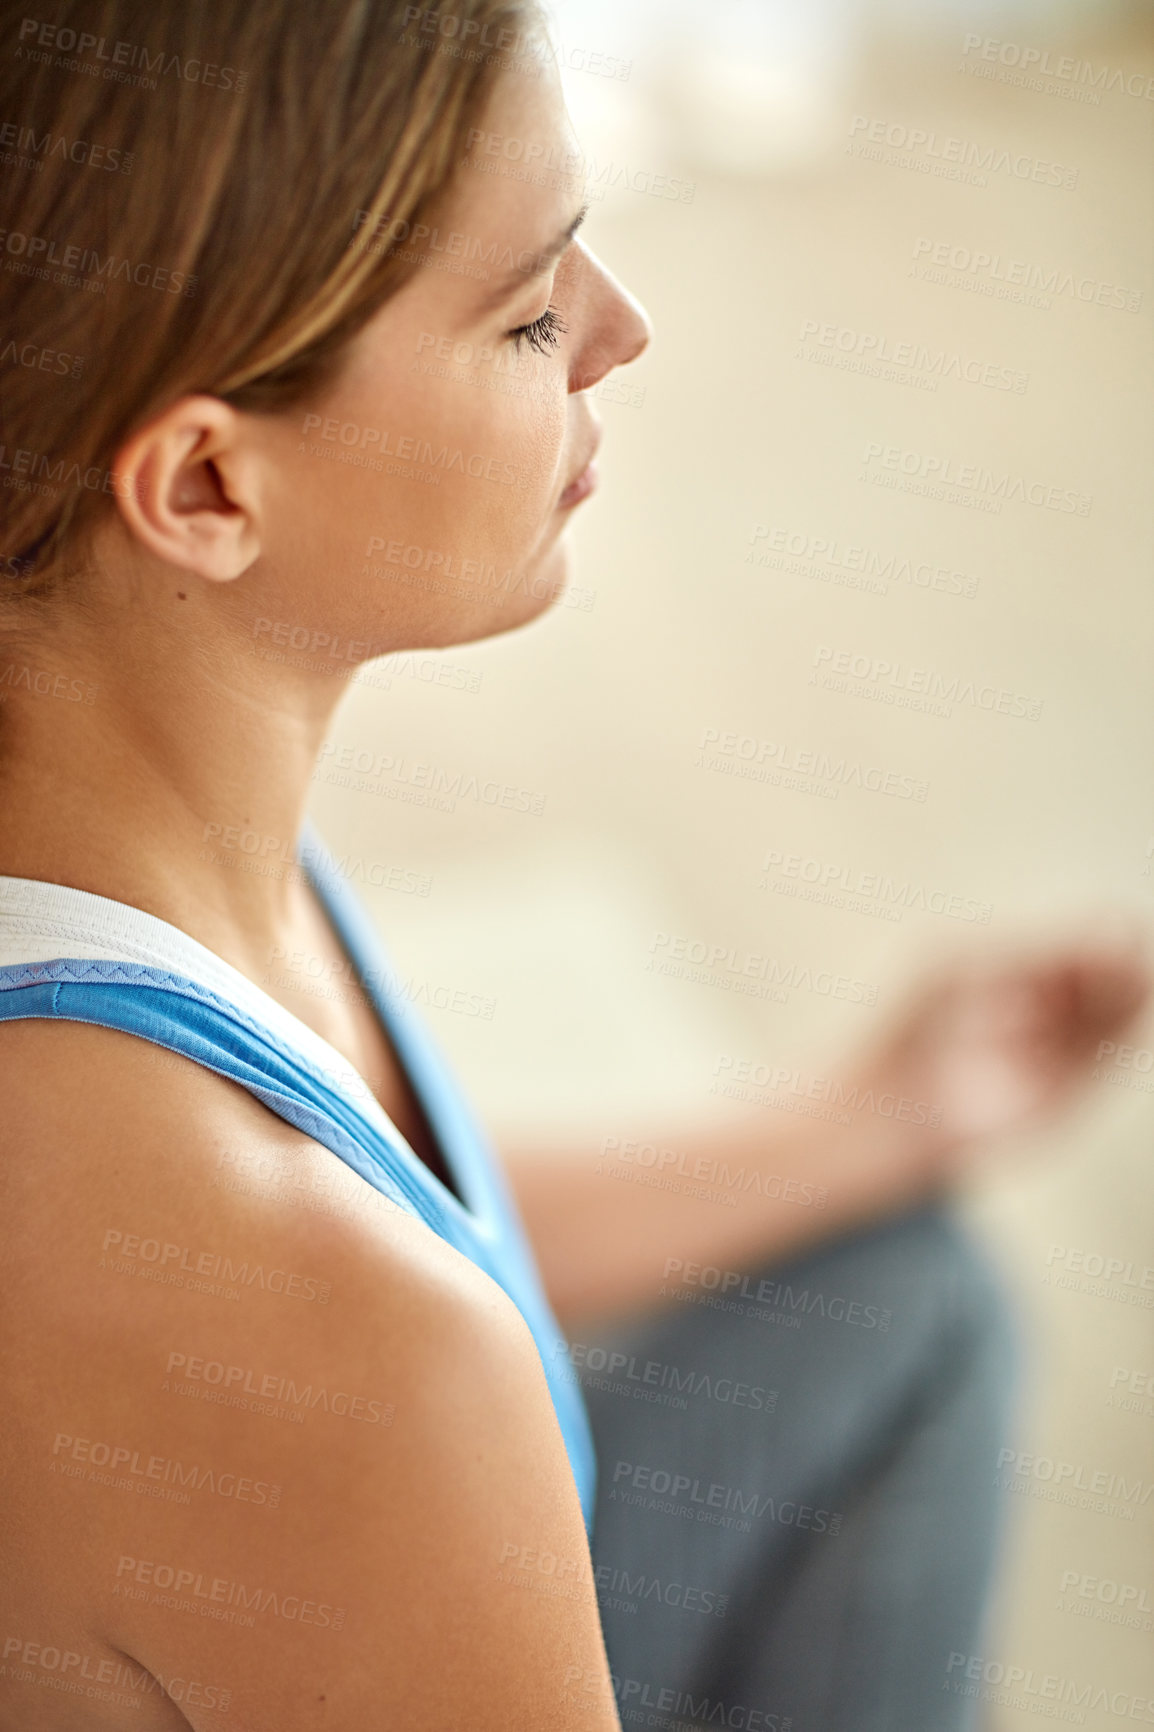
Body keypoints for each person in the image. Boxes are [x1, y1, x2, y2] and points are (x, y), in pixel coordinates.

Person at [0, 3, 1144, 1727]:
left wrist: (859, 1122)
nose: (621, 327)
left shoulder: (112, 819)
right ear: (208, 482)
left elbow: (389, 1228)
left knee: (897, 1295)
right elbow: (339, 1317)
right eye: (529, 311)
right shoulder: (338, 1351)